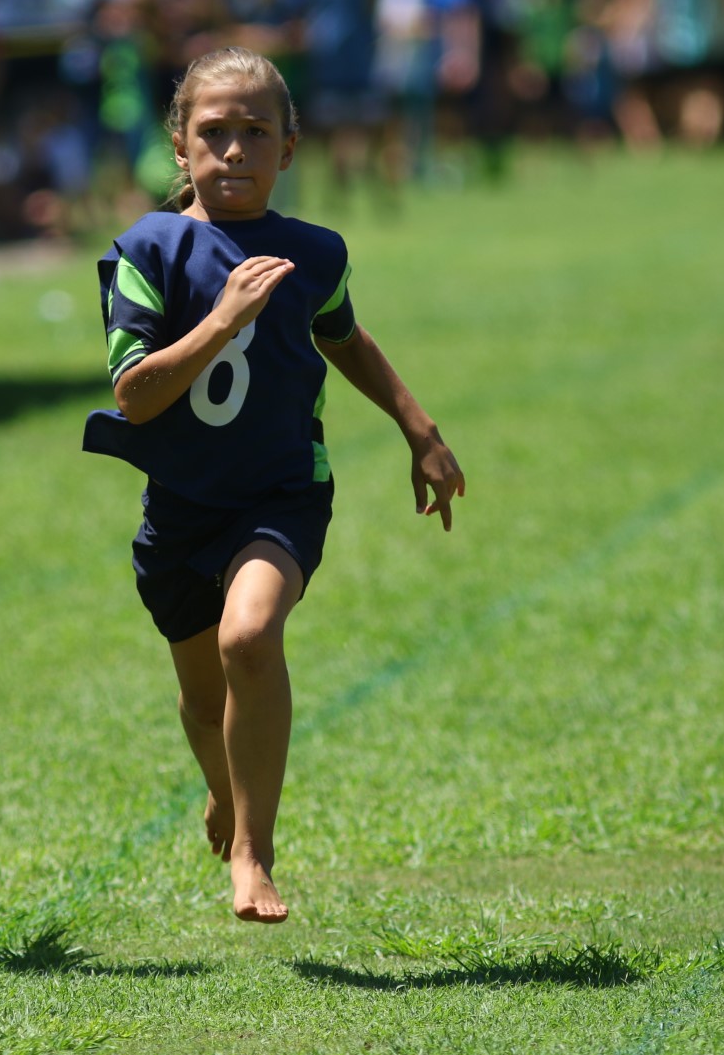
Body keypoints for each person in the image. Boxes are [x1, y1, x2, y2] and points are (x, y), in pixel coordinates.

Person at [82, 46, 465, 924]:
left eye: (256, 132)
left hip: (282, 492)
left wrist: (420, 431)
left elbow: (344, 337)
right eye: (214, 132)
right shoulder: (147, 250)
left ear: (289, 148)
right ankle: (225, 790)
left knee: (249, 639)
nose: (234, 150)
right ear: (179, 146)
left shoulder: (314, 253)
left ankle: (254, 854)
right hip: (181, 505)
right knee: (201, 699)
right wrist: (221, 320)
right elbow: (135, 396)